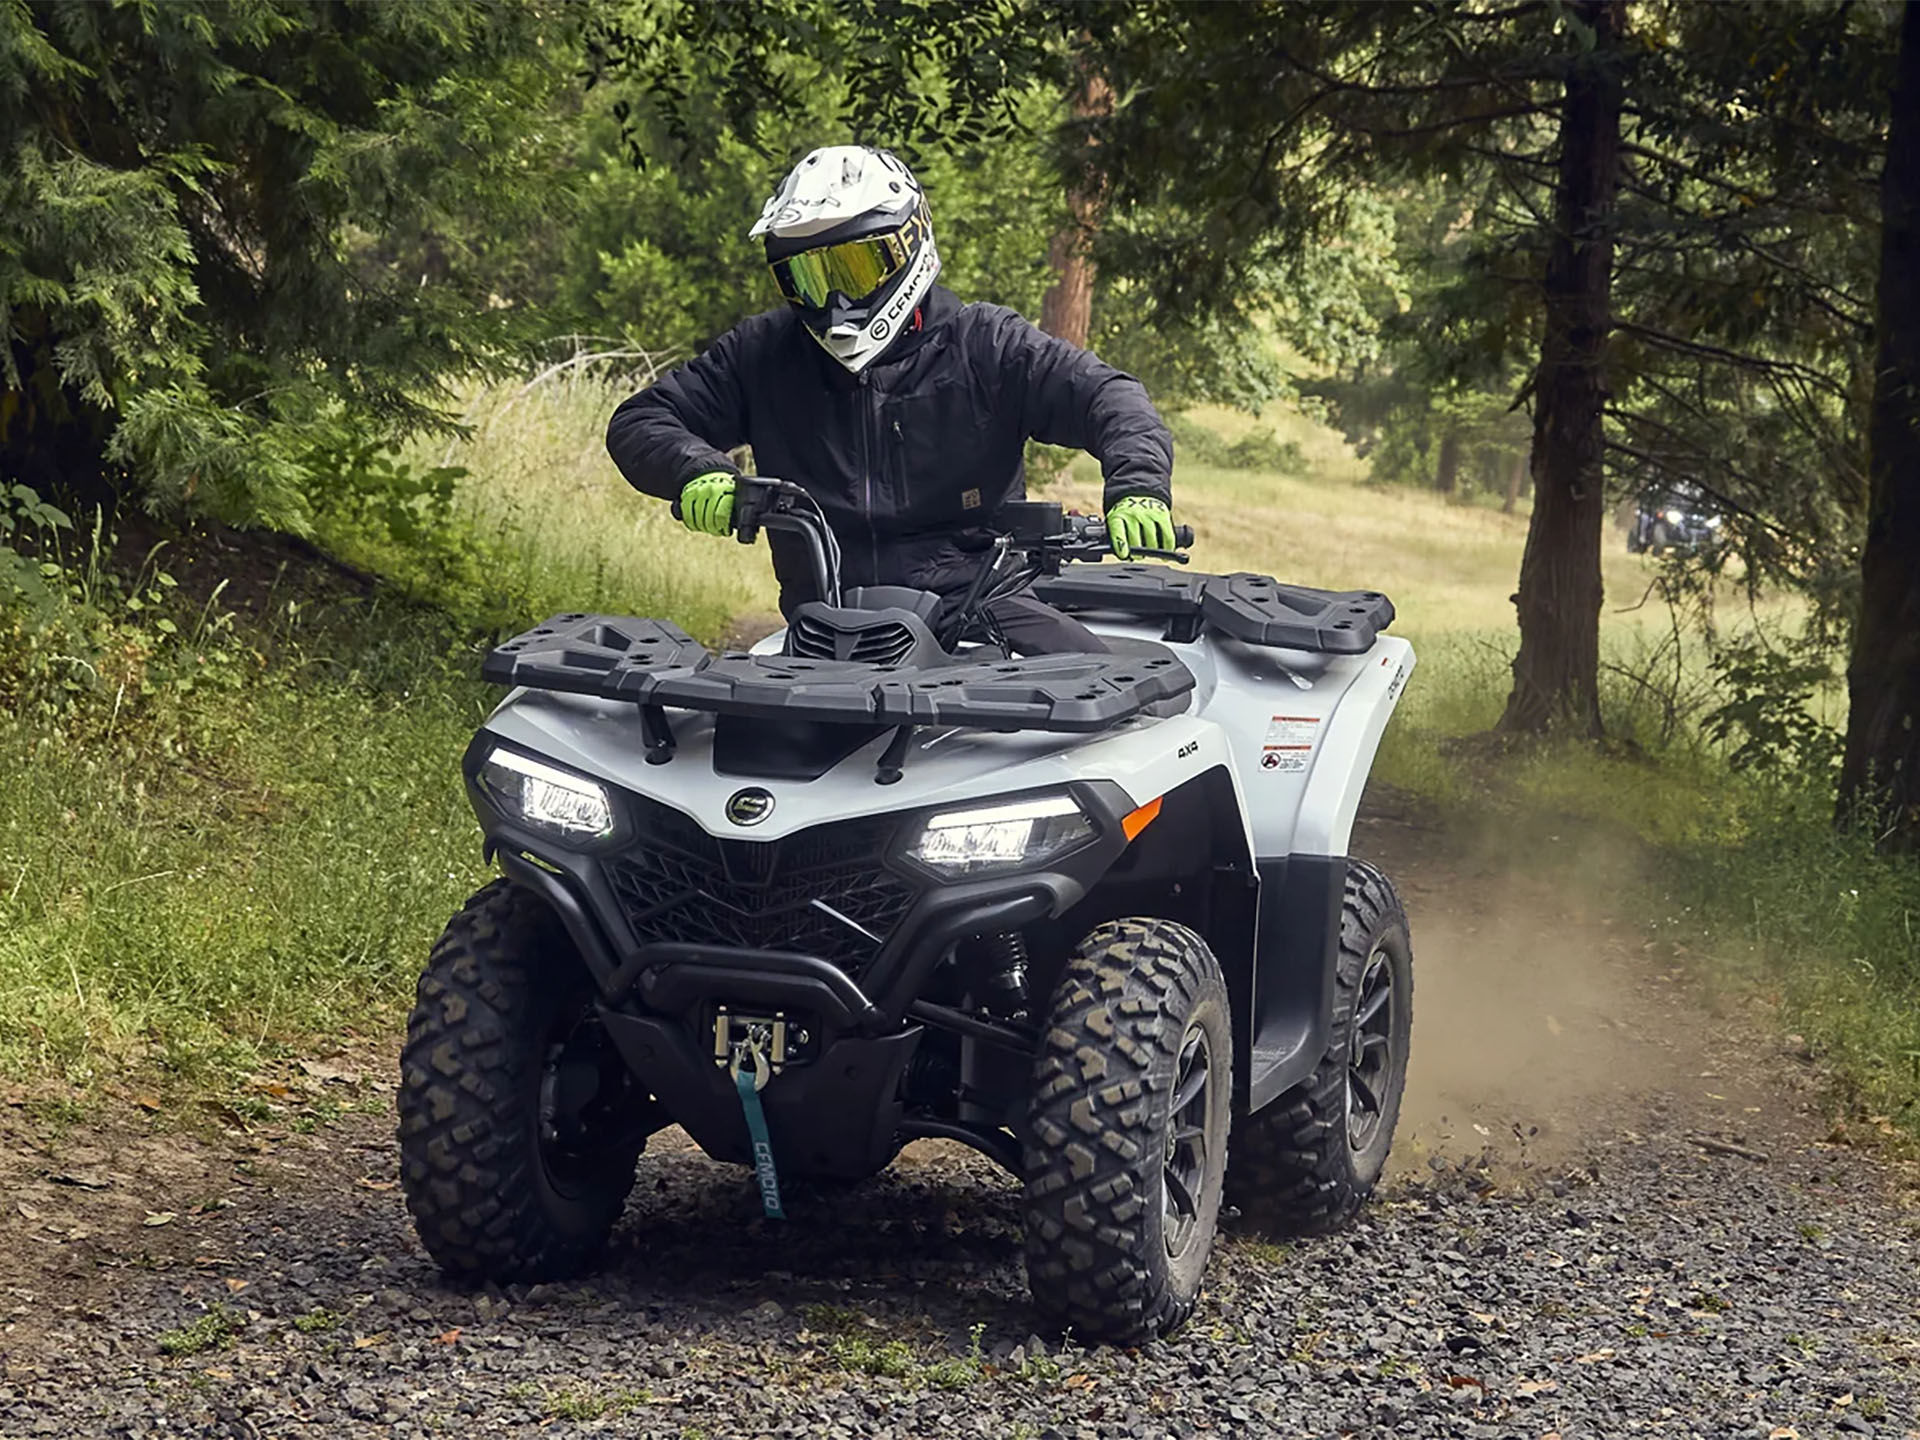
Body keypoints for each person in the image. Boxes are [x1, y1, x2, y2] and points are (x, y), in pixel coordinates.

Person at [604, 144, 1178, 655]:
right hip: (826, 627)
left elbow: (1109, 396)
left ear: (910, 244)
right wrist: (698, 471)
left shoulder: (985, 346)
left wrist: (1139, 490)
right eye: (806, 276)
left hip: (981, 611)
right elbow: (642, 419)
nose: (832, 298)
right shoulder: (765, 353)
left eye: (854, 268)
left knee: (1119, 705)